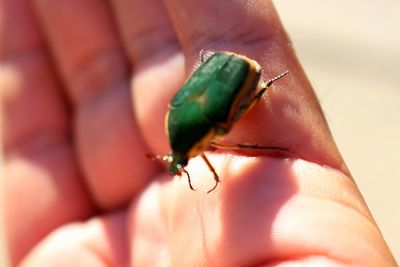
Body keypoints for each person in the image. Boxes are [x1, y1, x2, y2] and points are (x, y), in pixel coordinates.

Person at [0, 0, 396, 266]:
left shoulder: (185, 133)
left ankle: (258, 93)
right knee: (225, 132)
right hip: (220, 73)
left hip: (235, 76)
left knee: (226, 129)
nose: (182, 164)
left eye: (181, 161)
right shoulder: (178, 129)